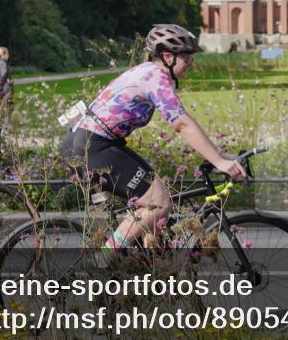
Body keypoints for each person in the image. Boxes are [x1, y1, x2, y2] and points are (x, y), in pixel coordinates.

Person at [61, 24, 246, 250]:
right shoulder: (154, 77)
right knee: (158, 203)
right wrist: (219, 162)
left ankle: (151, 267)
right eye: (187, 57)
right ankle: (102, 258)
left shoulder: (148, 72)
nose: (191, 63)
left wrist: (219, 155)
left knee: (157, 207)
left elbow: (184, 121)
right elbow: (181, 124)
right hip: (93, 147)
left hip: (92, 142)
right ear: (168, 57)